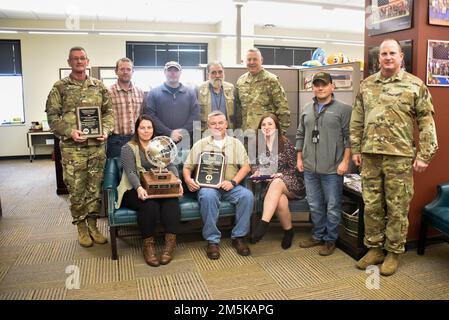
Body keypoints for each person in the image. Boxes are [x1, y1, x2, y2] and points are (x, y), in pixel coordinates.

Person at [350, 39, 438, 276]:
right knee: (372, 205)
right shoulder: (367, 85)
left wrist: (425, 154)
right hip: (370, 156)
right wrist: (356, 149)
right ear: (378, 58)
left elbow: (426, 122)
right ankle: (375, 248)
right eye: (383, 54)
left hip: (399, 157)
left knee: (397, 206)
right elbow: (357, 119)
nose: (387, 57)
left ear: (401, 57)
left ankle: (394, 252)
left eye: (392, 53)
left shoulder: (415, 85)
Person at [45, 46, 114, 247]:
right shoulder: (60, 87)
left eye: (82, 58)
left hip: (96, 147)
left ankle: (93, 225)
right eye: (75, 59)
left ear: (87, 61)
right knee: (76, 189)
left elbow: (109, 113)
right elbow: (52, 117)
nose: (79, 61)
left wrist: (106, 130)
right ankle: (81, 227)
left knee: (94, 188)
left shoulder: (99, 86)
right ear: (69, 62)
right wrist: (69, 132)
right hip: (72, 149)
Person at [183, 111, 254, 260]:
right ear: (208, 126)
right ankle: (212, 240)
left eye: (220, 123)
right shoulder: (200, 144)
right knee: (207, 196)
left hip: (230, 186)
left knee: (247, 196)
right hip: (208, 187)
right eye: (213, 123)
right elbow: (187, 167)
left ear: (226, 124)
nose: (217, 126)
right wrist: (188, 180)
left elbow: (246, 167)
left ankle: (239, 237)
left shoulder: (236, 143)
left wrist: (233, 182)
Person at [296, 72, 352, 256]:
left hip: (332, 168)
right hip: (310, 166)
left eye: (324, 84)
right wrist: (299, 158)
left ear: (332, 87)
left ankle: (330, 239)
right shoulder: (306, 108)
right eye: (317, 85)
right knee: (314, 204)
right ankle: (318, 235)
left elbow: (349, 139)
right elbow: (300, 134)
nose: (320, 88)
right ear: (313, 87)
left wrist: (345, 162)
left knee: (333, 206)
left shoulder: (344, 109)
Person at [115, 114, 183, 267]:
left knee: (171, 201)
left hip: (158, 187)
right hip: (134, 188)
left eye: (149, 127)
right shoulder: (128, 148)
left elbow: (170, 166)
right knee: (149, 204)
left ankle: (169, 245)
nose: (146, 131)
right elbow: (131, 172)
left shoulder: (160, 145)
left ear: (154, 129)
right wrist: (139, 188)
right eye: (142, 127)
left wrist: (177, 181)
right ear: (137, 129)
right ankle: (148, 246)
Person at [251, 114, 306, 249]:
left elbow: (295, 167)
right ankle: (289, 231)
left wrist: (281, 174)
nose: (267, 127)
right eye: (263, 125)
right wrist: (257, 173)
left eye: (270, 124)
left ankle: (263, 224)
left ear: (276, 127)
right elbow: (255, 165)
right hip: (271, 187)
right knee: (281, 200)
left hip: (291, 182)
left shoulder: (284, 142)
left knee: (277, 182)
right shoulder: (256, 144)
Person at [235, 48, 290, 133]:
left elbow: (283, 109)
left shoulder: (271, 80)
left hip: (266, 134)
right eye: (249, 59)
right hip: (246, 134)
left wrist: (280, 133)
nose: (251, 62)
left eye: (255, 59)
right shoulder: (241, 81)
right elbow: (238, 109)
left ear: (261, 60)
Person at [144, 61, 200, 144]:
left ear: (180, 73)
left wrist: (182, 132)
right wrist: (169, 132)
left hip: (185, 141)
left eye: (176, 70)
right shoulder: (154, 93)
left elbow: (195, 115)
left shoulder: (190, 92)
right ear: (164, 72)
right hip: (161, 141)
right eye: (170, 70)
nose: (173, 73)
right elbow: (150, 116)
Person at [107, 57, 144, 158]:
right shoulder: (108, 92)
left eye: (128, 69)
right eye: (122, 69)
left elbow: (141, 115)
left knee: (135, 171)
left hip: (135, 140)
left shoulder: (139, 91)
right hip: (115, 141)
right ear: (116, 71)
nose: (125, 72)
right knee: (116, 171)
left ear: (133, 71)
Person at [197, 61, 236, 131]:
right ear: (208, 74)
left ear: (224, 73)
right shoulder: (199, 90)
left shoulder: (231, 88)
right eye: (213, 72)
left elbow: (236, 114)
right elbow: (195, 117)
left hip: (227, 133)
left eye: (220, 72)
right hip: (207, 133)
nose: (217, 75)